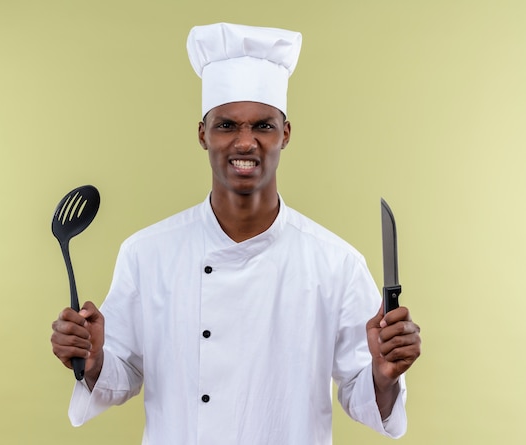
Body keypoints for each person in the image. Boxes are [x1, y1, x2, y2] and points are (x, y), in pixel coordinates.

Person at [51, 22, 421, 445]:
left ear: (285, 134)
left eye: (263, 125)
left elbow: (364, 393)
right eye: (227, 125)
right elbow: (124, 375)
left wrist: (384, 374)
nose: (245, 143)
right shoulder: (147, 253)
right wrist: (94, 359)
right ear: (202, 134)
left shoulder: (335, 263)